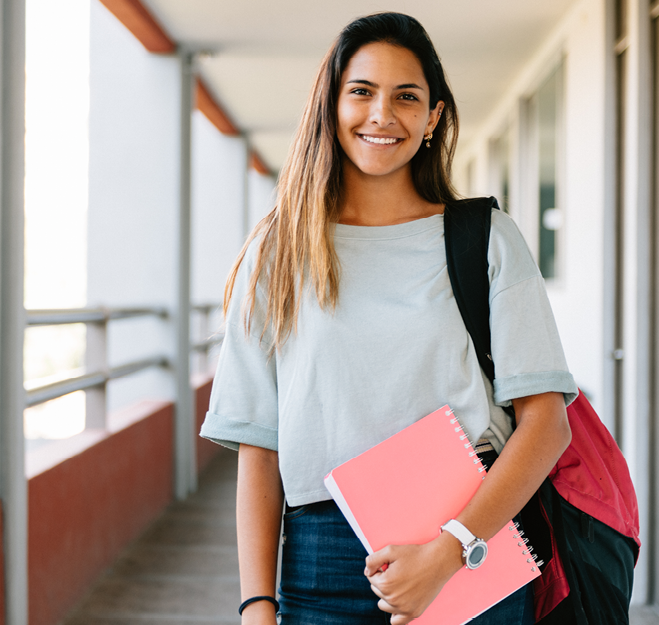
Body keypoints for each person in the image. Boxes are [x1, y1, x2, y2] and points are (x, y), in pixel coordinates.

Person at [200, 12, 577, 625]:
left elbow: (546, 426)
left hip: (467, 542)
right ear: (331, 105)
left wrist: (449, 550)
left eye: (407, 96)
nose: (382, 114)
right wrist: (256, 607)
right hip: (320, 562)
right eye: (362, 91)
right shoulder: (278, 253)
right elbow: (259, 451)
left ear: (432, 118)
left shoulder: (485, 240)